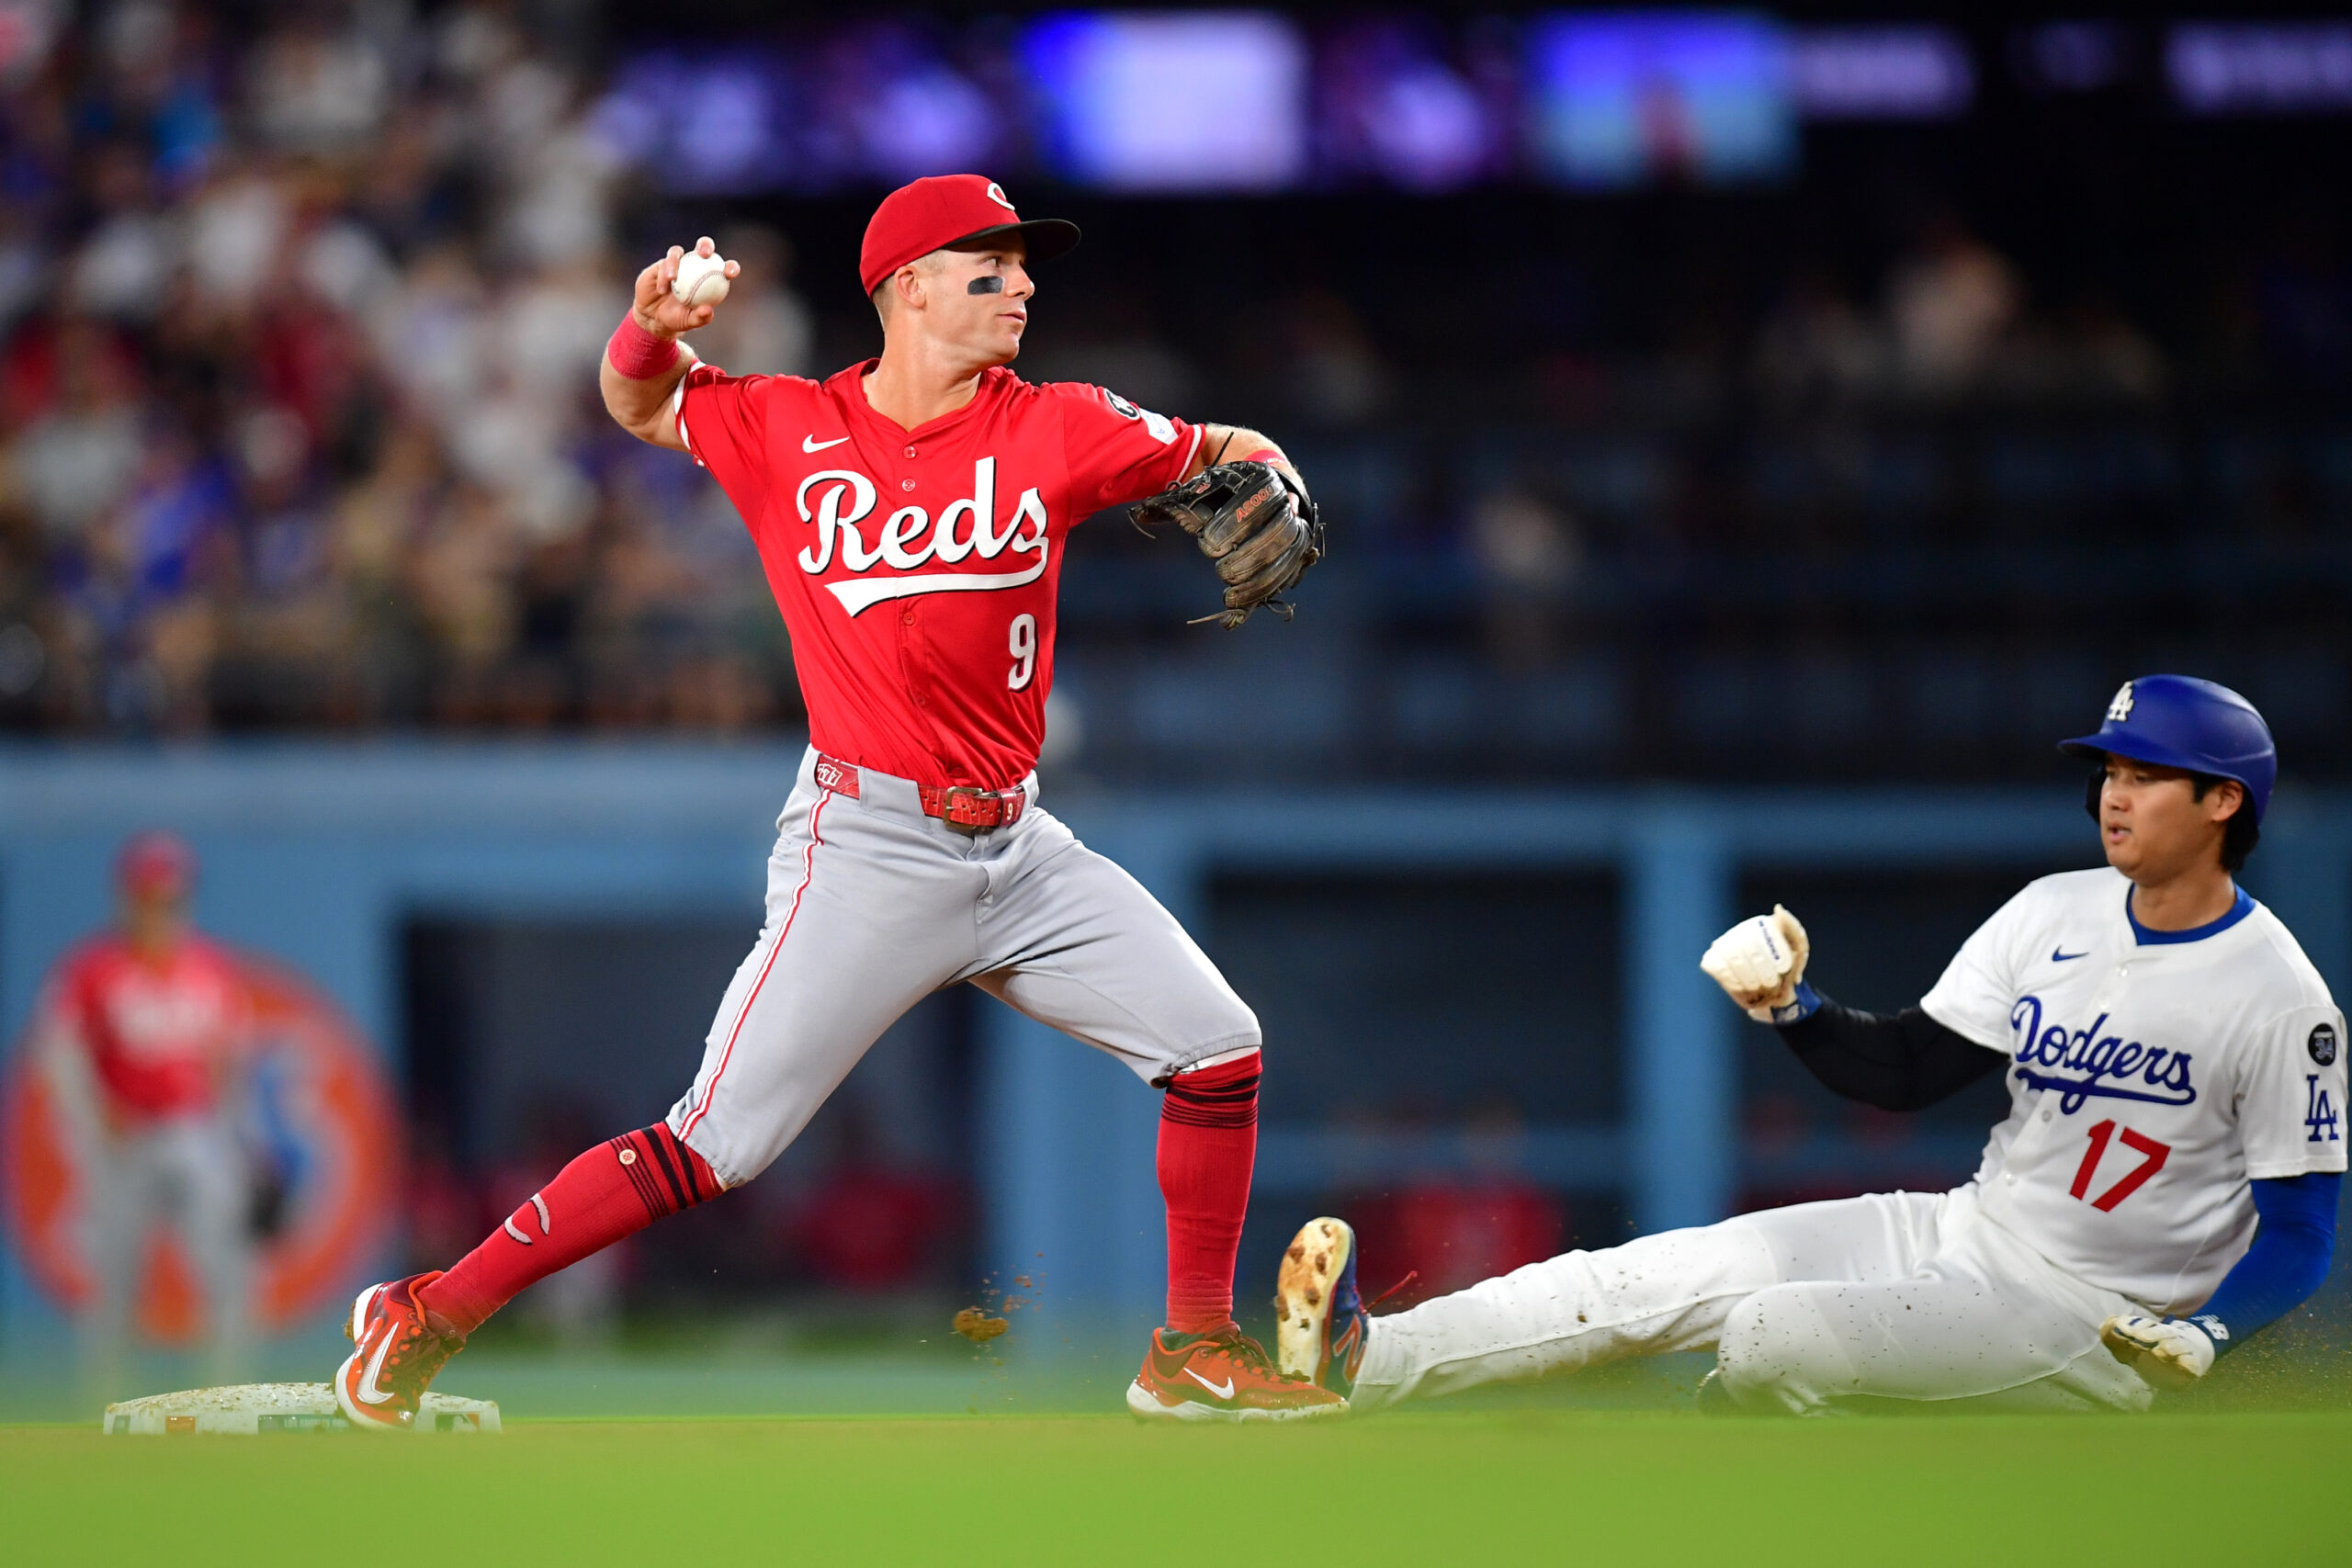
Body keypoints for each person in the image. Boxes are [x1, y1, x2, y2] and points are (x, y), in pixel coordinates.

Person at [333, 173, 1339, 1427]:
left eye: (1027, 266)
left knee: (1216, 1042)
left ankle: (1190, 1344)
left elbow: (1223, 448)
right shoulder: (787, 425)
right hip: (867, 846)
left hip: (1021, 847)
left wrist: (1273, 466)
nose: (1023, 284)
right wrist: (649, 322)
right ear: (908, 286)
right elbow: (637, 399)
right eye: (992, 265)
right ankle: (425, 1309)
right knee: (716, 1142)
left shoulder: (1064, 424)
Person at [1273, 676, 2345, 1414]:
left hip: (2092, 1324)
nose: (2113, 790)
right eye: (2109, 766)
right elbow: (1909, 1071)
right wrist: (1794, 1008)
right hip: (1960, 1232)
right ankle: (1365, 1363)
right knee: (1668, 1269)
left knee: (1771, 1338)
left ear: (2220, 801)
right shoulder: (2053, 911)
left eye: (2147, 774)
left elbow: (2300, 1235)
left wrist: (2205, 1338)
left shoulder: (2278, 997)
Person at [34, 831, 257, 1393]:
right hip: (123, 1139)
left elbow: (231, 1056)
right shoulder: (93, 970)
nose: (159, 909)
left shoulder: (208, 967)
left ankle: (226, 1393)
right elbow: (58, 1054)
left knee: (227, 1264)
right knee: (114, 1281)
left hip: (191, 1132)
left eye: (170, 897)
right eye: (148, 896)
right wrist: (92, 1114)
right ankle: (102, 1404)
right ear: (126, 898)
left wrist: (235, 1138)